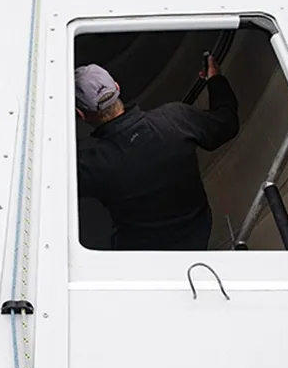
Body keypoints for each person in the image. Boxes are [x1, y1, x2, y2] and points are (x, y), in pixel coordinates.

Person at [75, 55, 238, 251]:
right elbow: (227, 123)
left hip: (144, 251)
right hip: (198, 231)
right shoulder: (175, 118)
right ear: (117, 87)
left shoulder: (91, 164)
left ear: (80, 114)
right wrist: (216, 80)